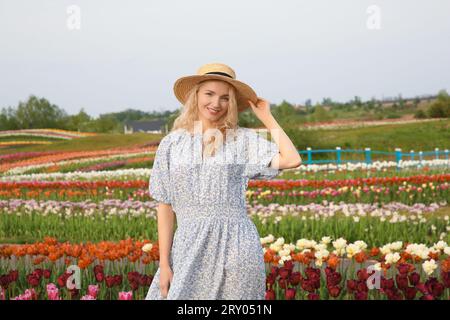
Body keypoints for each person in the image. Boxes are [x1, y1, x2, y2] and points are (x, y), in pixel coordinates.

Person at [145, 62, 302, 300]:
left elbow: (292, 159)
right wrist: (165, 264)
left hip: (237, 247)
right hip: (188, 247)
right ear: (195, 95)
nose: (216, 103)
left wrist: (267, 118)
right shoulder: (171, 144)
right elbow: (165, 205)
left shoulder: (242, 140)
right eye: (209, 94)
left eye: (225, 98)